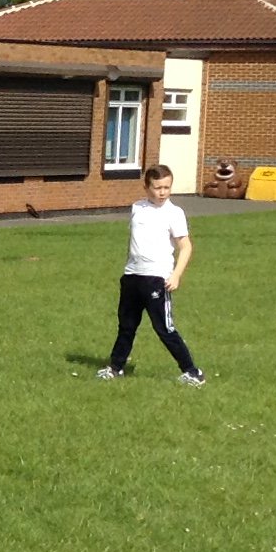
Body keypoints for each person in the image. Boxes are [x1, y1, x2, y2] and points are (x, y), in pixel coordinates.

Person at [100, 162, 205, 386]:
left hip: (157, 278)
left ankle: (192, 371)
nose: (162, 192)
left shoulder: (174, 213)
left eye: (167, 187)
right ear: (147, 187)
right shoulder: (137, 208)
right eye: (157, 188)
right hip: (132, 276)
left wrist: (176, 275)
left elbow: (186, 246)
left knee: (164, 328)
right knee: (126, 325)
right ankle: (116, 367)